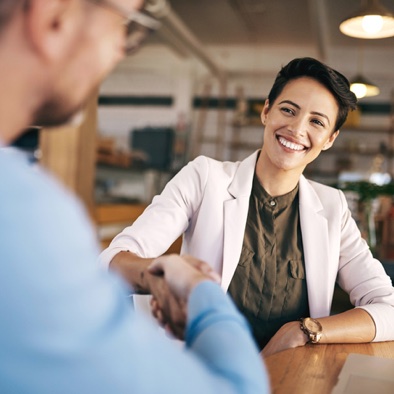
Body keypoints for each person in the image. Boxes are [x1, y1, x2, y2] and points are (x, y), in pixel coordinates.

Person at [0, 1, 270, 393]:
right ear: (52, 16)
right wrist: (201, 292)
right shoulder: (23, 218)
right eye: (127, 27)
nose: (118, 51)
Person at [100, 57, 394, 356]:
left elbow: (388, 307)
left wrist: (306, 330)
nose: (296, 128)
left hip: (291, 378)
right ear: (266, 111)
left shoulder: (333, 208)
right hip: (203, 370)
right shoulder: (204, 177)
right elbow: (112, 260)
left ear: (330, 139)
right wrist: (158, 275)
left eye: (316, 121)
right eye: (288, 110)